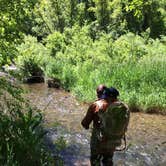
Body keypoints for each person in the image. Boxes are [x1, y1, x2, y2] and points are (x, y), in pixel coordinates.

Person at [81, 87, 129, 166]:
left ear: (106, 96)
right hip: (114, 140)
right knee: (108, 160)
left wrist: (88, 126)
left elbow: (84, 123)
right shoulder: (122, 108)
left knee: (95, 160)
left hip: (99, 140)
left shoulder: (96, 105)